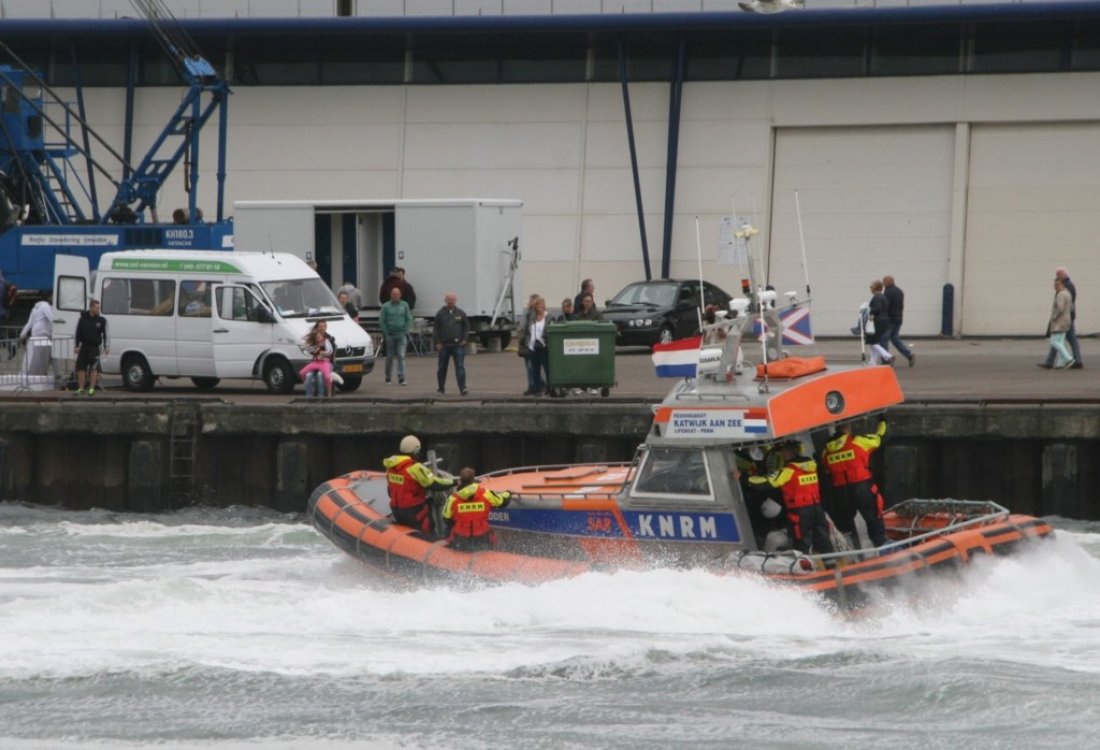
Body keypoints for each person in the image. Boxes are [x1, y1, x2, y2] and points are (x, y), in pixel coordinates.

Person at [749, 441, 834, 556]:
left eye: (784, 452)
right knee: (824, 538)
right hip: (817, 508)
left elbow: (766, 483)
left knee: (801, 542)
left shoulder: (788, 471)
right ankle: (831, 566)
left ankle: (803, 569)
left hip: (800, 512)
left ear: (789, 453)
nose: (782, 455)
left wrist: (744, 478)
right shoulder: (812, 466)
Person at [820, 420, 888, 548]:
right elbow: (877, 441)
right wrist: (881, 430)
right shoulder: (857, 441)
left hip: (840, 491)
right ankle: (881, 547)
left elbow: (826, 467)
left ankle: (852, 552)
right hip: (862, 487)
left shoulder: (826, 450)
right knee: (873, 518)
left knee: (845, 525)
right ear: (848, 427)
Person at [383, 434, 456, 535]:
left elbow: (390, 490)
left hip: (397, 510)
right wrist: (453, 482)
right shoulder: (415, 468)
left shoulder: (390, 467)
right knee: (428, 528)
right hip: (413, 511)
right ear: (416, 450)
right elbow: (434, 484)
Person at [441, 466, 512, 551]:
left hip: (460, 540)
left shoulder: (453, 498)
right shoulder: (486, 493)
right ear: (473, 479)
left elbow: (446, 519)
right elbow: (501, 501)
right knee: (491, 534)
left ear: (460, 481)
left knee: (448, 529)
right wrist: (508, 493)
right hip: (482, 538)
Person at [1041, 267, 1083, 369]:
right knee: (1060, 340)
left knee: (1056, 341)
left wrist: (1054, 317)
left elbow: (1061, 308)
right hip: (1067, 318)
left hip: (1062, 320)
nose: (1057, 277)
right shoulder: (1069, 288)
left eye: (1058, 275)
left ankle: (1071, 360)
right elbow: (1071, 305)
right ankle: (1059, 362)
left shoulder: (1064, 290)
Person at [433, 292, 470, 396]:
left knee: (460, 366)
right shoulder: (440, 314)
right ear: (445, 301)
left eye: (452, 299)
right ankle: (441, 388)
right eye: (449, 299)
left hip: (458, 346)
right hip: (444, 346)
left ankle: (463, 388)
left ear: (455, 300)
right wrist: (437, 342)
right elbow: (435, 329)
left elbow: (466, 327)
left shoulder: (461, 313)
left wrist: (465, 339)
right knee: (442, 368)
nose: (451, 301)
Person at [74, 299, 109, 396]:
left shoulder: (102, 320)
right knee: (81, 368)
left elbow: (106, 334)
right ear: (91, 307)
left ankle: (91, 388)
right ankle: (81, 388)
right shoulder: (82, 319)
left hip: (94, 348)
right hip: (84, 347)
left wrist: (106, 346)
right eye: (97, 308)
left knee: (94, 368)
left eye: (99, 308)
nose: (99, 310)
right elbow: (78, 333)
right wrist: (76, 345)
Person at [380, 285, 413, 385]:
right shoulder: (385, 306)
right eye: (393, 294)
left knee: (401, 355)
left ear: (400, 295)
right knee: (389, 357)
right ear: (391, 295)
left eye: (397, 294)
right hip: (390, 335)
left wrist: (406, 330)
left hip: (401, 335)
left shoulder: (405, 305)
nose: (395, 295)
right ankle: (388, 377)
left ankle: (401, 377)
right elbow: (382, 320)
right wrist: (386, 332)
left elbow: (409, 318)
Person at [881, 275, 915, 366]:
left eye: (884, 282)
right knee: (895, 339)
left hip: (890, 319)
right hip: (899, 318)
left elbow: (885, 306)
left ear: (889, 282)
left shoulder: (888, 292)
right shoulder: (899, 291)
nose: (883, 284)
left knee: (883, 339)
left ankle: (887, 359)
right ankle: (909, 354)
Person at [298, 320, 336, 398]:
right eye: (320, 326)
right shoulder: (314, 338)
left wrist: (324, 353)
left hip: (326, 363)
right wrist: (314, 351)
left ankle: (322, 395)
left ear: (326, 327)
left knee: (321, 375)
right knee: (306, 375)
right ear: (317, 327)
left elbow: (330, 351)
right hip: (315, 363)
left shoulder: (328, 339)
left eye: (323, 326)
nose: (322, 328)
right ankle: (309, 395)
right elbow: (307, 349)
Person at [521, 295, 550, 396]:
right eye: (537, 304)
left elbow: (549, 331)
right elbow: (526, 330)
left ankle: (549, 388)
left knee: (547, 369)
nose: (539, 306)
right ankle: (537, 389)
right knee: (534, 369)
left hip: (544, 346)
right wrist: (526, 342)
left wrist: (544, 340)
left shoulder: (548, 316)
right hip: (533, 346)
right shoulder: (531, 317)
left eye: (541, 304)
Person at [19, 291, 53, 376]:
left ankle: (28, 374)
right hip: (43, 335)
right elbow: (52, 319)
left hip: (35, 335)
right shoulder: (46, 306)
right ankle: (40, 375)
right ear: (49, 297)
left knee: (33, 358)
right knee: (43, 359)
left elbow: (29, 323)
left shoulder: (35, 308)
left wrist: (22, 335)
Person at [1046, 276, 1075, 369]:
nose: (1055, 286)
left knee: (1054, 342)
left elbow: (1060, 308)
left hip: (1059, 322)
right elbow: (1071, 307)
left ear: (1062, 284)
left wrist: (1054, 317)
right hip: (1067, 321)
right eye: (1054, 284)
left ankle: (1069, 358)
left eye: (1057, 284)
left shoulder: (1060, 295)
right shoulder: (1068, 293)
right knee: (1061, 342)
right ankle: (1061, 363)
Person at [866, 280, 894, 366]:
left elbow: (877, 309)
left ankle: (887, 356)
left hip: (877, 322)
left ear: (875, 288)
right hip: (884, 321)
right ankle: (872, 362)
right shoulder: (883, 297)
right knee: (874, 342)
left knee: (872, 342)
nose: (870, 289)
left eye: (871, 287)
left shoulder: (877, 297)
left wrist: (868, 310)